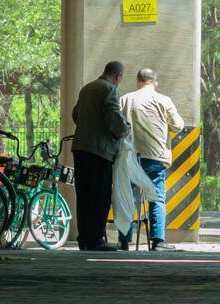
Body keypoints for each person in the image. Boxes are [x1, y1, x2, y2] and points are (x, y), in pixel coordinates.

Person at [118, 68, 183, 251]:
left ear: (138, 82)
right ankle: (157, 241)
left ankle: (124, 241)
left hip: (129, 157)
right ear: (155, 83)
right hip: (154, 156)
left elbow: (117, 124)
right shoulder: (163, 100)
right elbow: (178, 125)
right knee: (156, 199)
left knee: (127, 198)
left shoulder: (125, 99)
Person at [72, 61, 131, 251]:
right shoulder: (110, 89)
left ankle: (84, 238)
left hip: (80, 148)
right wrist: (125, 130)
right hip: (100, 151)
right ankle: (97, 239)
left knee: (84, 195)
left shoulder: (86, 88)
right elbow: (113, 117)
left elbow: (75, 114)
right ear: (117, 77)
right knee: (100, 196)